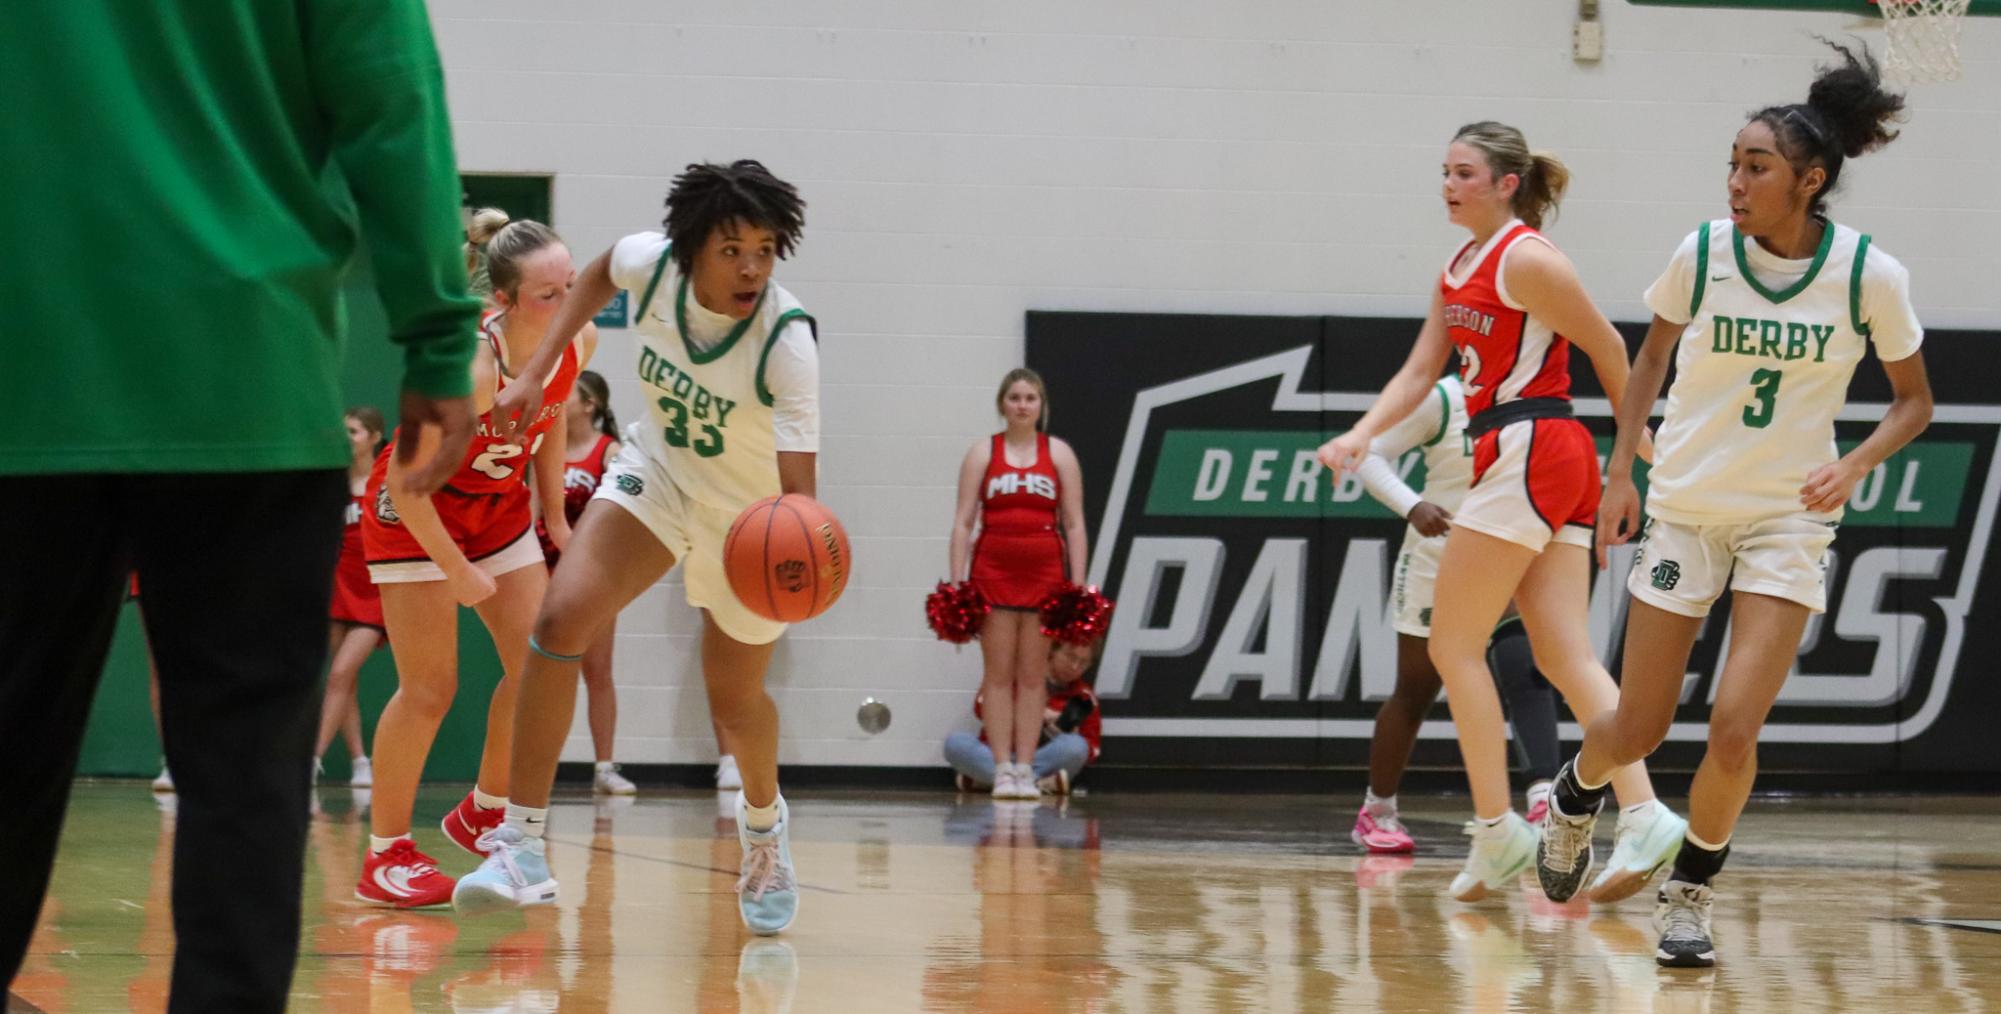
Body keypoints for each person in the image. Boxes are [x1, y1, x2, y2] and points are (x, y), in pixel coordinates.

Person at [1, 2, 480, 1008]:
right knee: (247, 780)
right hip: (247, 376)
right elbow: (394, 100)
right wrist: (436, 333)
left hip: (27, 371)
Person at [1538, 44, 1930, 968]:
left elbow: (1914, 401)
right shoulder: (1702, 253)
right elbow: (1646, 363)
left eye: (1755, 167)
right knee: (1637, 725)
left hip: (1787, 520)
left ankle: (1690, 896)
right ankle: (1575, 792)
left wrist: (1856, 464)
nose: (1735, 181)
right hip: (1683, 509)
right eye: (1731, 162)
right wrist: (1623, 474)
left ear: (1809, 180)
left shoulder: (1869, 274)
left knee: (1733, 726)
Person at [1318, 121, 1685, 903]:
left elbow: (1610, 349)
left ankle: (1497, 832)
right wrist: (1360, 434)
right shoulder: (1456, 266)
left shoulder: (1528, 258)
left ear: (1505, 184)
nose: (1448, 185)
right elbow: (1423, 368)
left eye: (1463, 173)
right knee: (1563, 656)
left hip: (1532, 441)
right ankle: (1646, 812)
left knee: (1453, 646)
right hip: (1519, 451)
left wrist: (1632, 455)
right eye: (1443, 172)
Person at [453, 160, 820, 938]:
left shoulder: (786, 344)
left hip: (746, 521)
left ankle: (762, 829)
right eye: (731, 249)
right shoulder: (648, 264)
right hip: (657, 475)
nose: (751, 265)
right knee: (558, 625)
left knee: (735, 699)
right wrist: (540, 368)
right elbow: (593, 275)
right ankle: (520, 845)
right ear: (689, 250)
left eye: (764, 248)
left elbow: (798, 501)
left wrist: (798, 562)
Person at [357, 214, 593, 909]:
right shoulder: (470, 367)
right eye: (549, 294)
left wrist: (551, 516)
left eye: (573, 287)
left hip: (493, 510)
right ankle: (385, 853)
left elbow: (545, 422)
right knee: (430, 688)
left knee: (539, 664)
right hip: (417, 513)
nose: (567, 304)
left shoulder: (577, 338)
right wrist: (455, 570)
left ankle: (485, 809)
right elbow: (404, 480)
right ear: (504, 301)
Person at [1350, 375, 1564, 853]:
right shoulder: (1443, 397)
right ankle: (1377, 810)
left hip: (1507, 554)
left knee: (1526, 671)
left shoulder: (1538, 394)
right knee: (1415, 690)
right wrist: (1411, 505)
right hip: (1437, 559)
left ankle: (1541, 797)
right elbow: (1366, 453)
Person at [949, 370, 1090, 800]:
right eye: (1015, 397)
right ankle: (1001, 768)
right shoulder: (982, 453)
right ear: (1002, 404)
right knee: (997, 675)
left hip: (1044, 576)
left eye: (1031, 397)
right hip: (992, 573)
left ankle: (1025, 769)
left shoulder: (1059, 453)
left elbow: (1074, 522)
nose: (1023, 405)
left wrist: (1077, 587)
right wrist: (958, 586)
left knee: (1032, 678)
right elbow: (963, 522)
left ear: (1041, 405)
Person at [534, 370, 637, 796]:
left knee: (597, 671)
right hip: (542, 569)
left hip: (592, 571)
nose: (558, 400)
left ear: (589, 404)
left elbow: (622, 516)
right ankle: (537, 766)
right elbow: (531, 513)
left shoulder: (610, 452)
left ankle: (604, 768)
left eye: (568, 395)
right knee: (541, 671)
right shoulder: (546, 447)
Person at [317, 407, 390, 788]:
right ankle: (361, 760)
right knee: (345, 681)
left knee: (341, 673)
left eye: (355, 431)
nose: (347, 438)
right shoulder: (335, 482)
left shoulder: (387, 480)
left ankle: (310, 760)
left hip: (375, 591)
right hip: (337, 587)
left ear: (375, 437)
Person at [944, 639, 1103, 796]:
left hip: (1043, 758)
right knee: (955, 743)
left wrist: (1067, 732)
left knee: (1076, 746)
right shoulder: (1017, 674)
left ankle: (990, 781)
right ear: (1053, 650)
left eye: (1083, 663)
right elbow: (981, 707)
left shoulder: (1084, 697)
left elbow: (1093, 748)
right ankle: (1037, 784)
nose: (1075, 667)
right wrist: (1033, 715)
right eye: (1070, 657)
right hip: (997, 756)